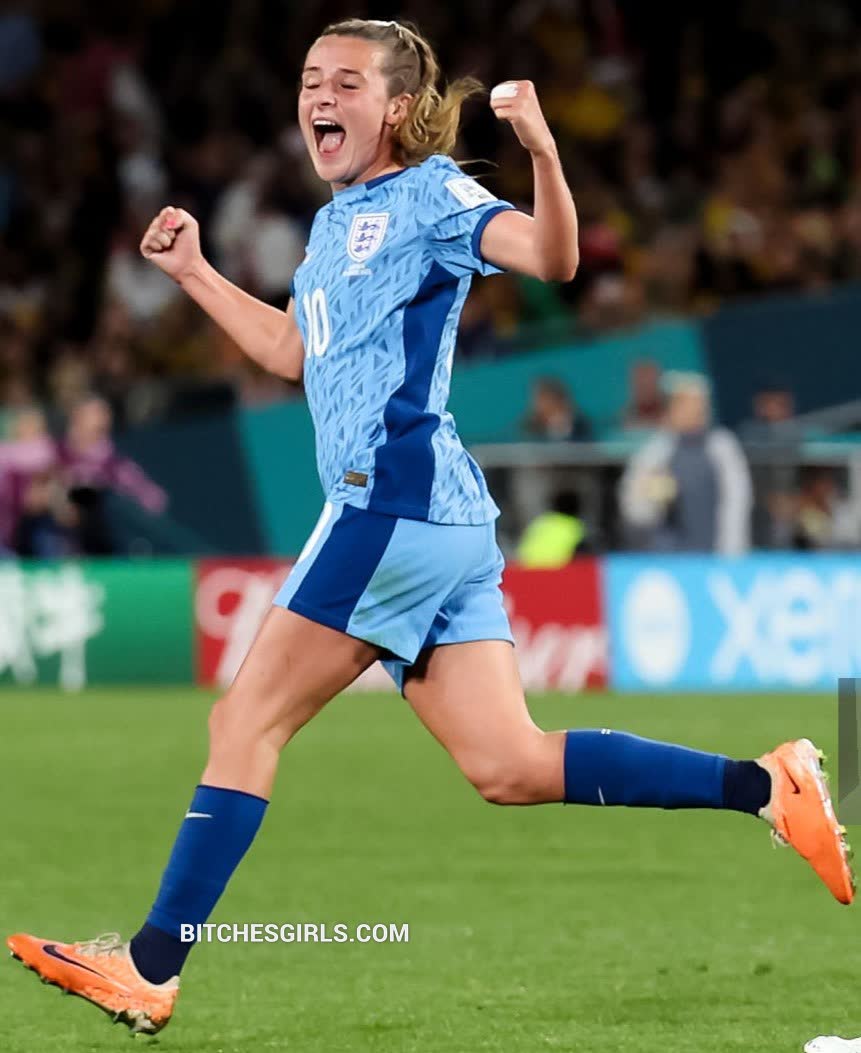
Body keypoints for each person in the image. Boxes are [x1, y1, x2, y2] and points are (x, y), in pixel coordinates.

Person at [7, 18, 852, 1038]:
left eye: (345, 81)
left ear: (398, 107)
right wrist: (193, 272)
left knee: (244, 723)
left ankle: (149, 966)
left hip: (390, 500)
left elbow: (551, 256)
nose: (319, 96)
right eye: (310, 79)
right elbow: (293, 353)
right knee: (509, 765)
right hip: (438, 519)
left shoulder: (430, 194)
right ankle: (766, 785)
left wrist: (541, 151)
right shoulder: (333, 225)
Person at [619, 371, 753, 554]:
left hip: (716, 554)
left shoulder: (722, 446)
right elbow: (636, 511)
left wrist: (732, 553)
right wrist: (653, 499)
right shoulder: (654, 452)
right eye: (686, 404)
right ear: (672, 408)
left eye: (700, 405)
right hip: (667, 556)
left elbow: (737, 501)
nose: (695, 411)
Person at [523, 376, 592, 441]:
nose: (543, 405)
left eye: (549, 399)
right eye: (540, 400)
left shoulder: (580, 425)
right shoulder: (530, 427)